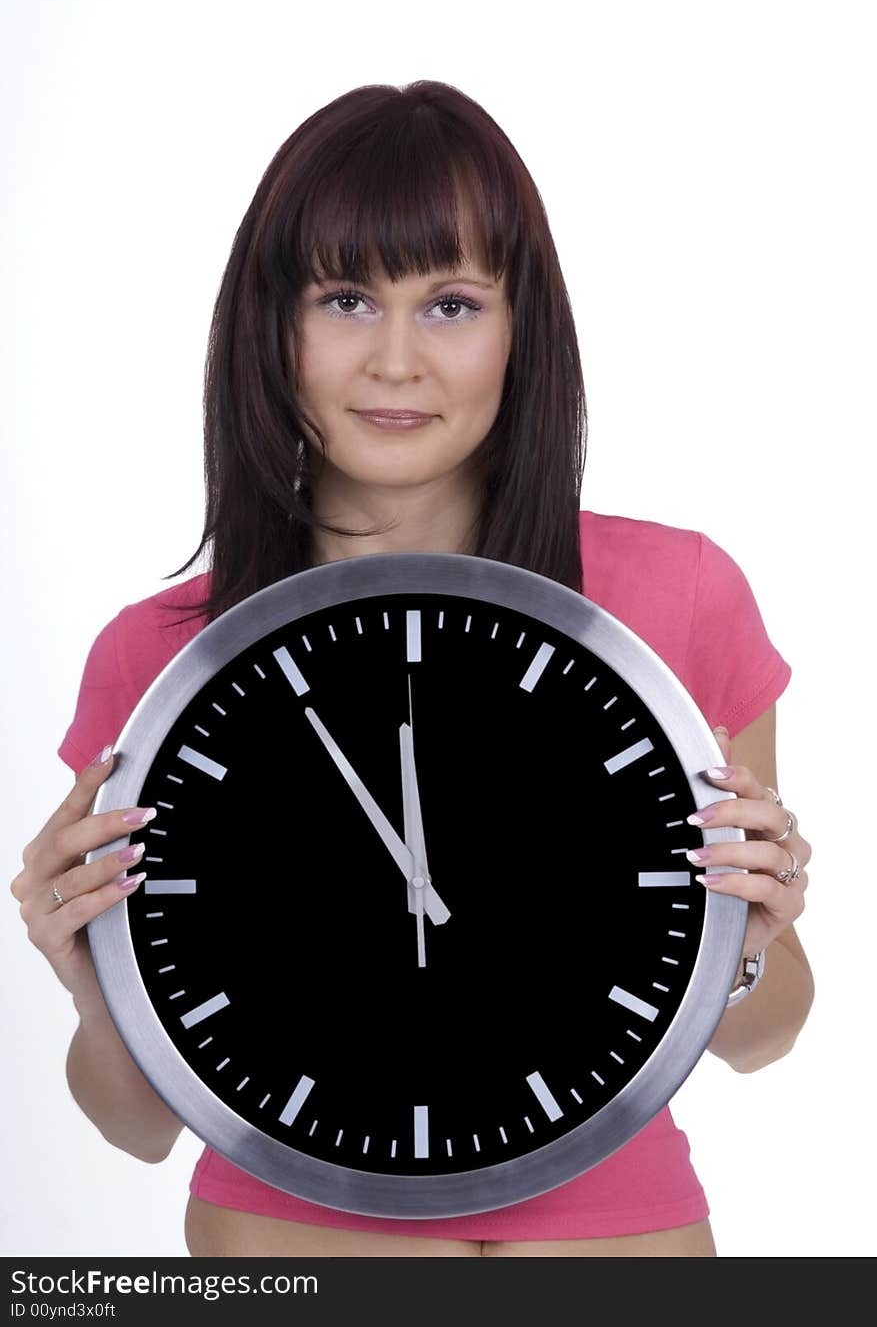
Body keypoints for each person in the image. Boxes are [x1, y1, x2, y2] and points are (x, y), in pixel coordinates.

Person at [12, 80, 814, 1258]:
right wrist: (89, 979)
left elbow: (769, 1034)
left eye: (449, 302)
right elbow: (135, 1126)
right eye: (345, 297)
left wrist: (748, 939)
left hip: (622, 1231)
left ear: (519, 325)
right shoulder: (165, 656)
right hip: (291, 1241)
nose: (396, 360)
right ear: (270, 322)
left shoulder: (676, 601)